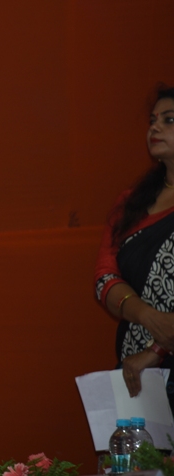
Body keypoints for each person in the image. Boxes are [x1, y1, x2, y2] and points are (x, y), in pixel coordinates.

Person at [95, 85, 174, 402]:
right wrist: (145, 315)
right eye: (153, 120)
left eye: (168, 120)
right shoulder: (131, 203)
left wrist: (157, 350)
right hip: (136, 370)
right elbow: (104, 277)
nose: (154, 127)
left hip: (150, 361)